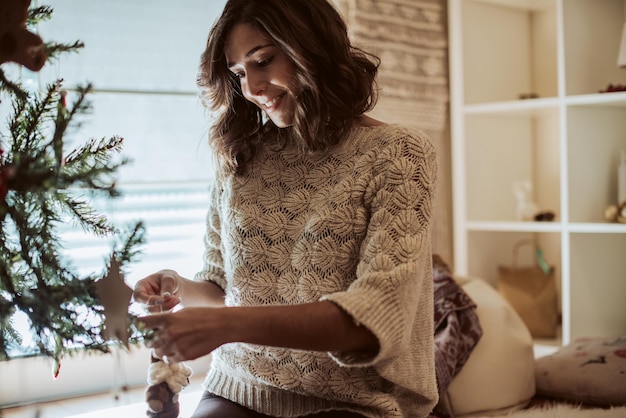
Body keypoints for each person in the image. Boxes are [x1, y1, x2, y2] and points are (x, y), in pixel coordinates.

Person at [134, 0, 438, 416]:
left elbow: (372, 318)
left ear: (312, 48)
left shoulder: (399, 153)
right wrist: (179, 286)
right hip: (239, 387)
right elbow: (221, 289)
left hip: (355, 402)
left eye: (263, 61)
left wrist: (226, 326)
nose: (252, 88)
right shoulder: (239, 158)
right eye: (239, 73)